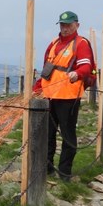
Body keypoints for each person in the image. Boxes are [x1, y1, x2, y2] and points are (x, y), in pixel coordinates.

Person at [33, 11, 94, 182]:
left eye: (68, 25)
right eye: (62, 25)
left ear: (77, 25)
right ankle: (46, 168)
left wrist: (77, 74)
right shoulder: (53, 43)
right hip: (48, 97)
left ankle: (65, 173)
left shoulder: (81, 44)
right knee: (48, 134)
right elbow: (46, 68)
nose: (65, 28)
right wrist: (37, 87)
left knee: (68, 136)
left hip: (68, 97)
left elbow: (86, 66)